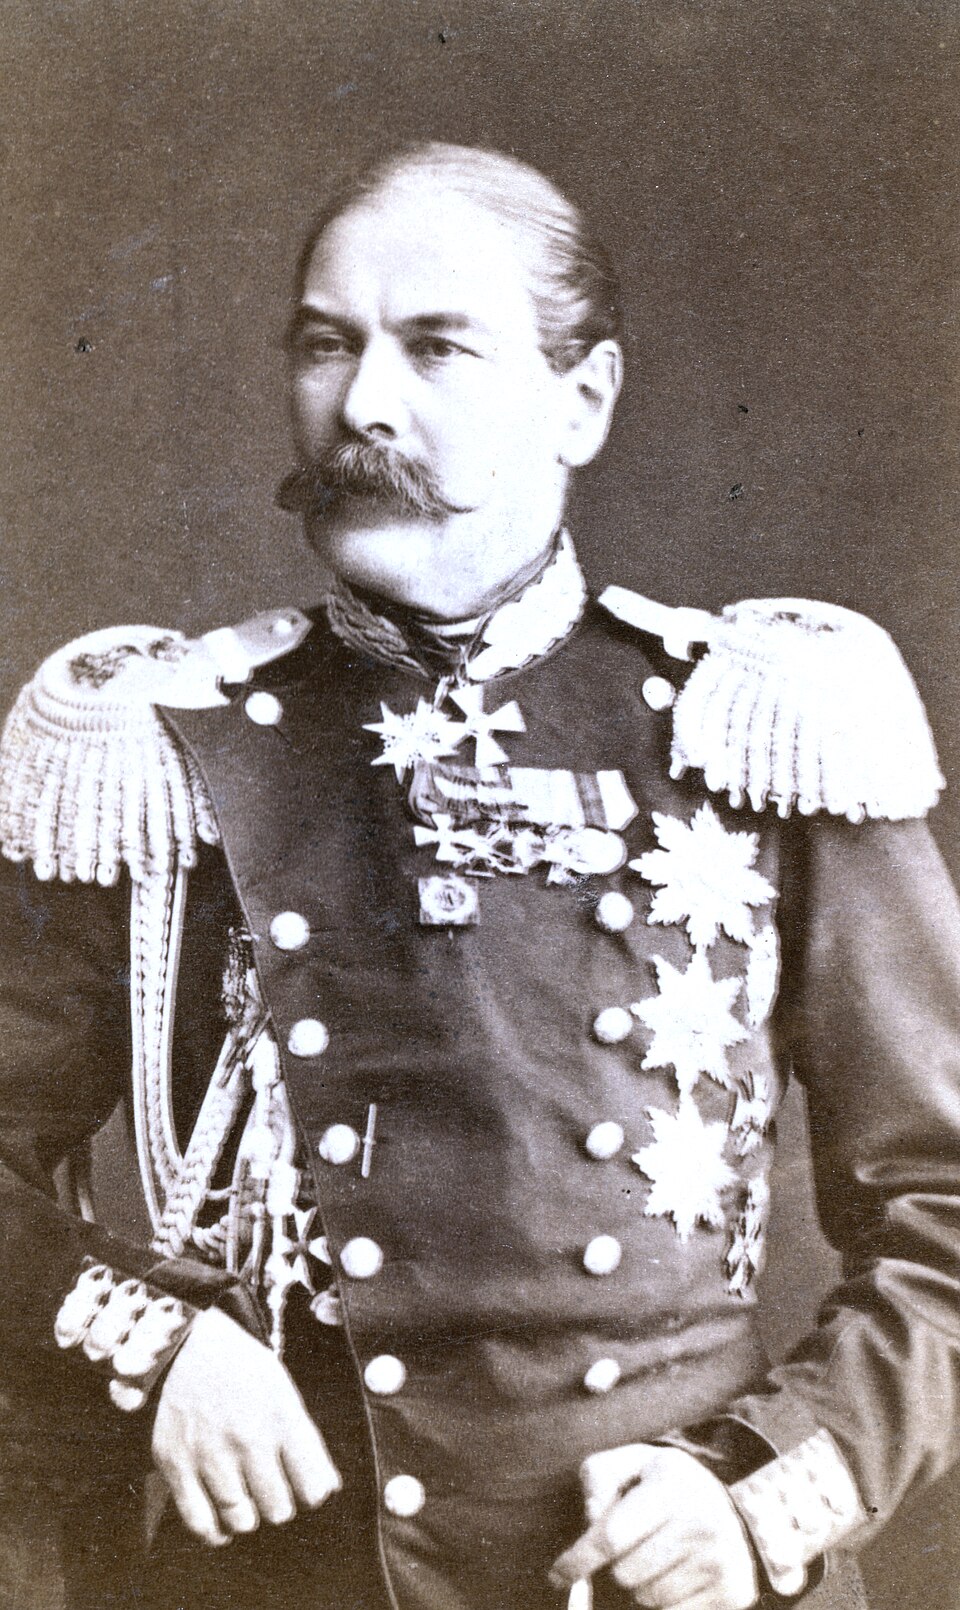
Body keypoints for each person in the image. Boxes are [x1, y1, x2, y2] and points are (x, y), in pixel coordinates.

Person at [1, 140, 959, 1610]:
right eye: (326, 345)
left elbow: (944, 1210)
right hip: (277, 1571)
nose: (364, 404)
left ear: (585, 400)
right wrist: (154, 1344)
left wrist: (761, 1491)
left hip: (663, 1574)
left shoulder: (759, 730)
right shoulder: (159, 750)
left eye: (437, 346)